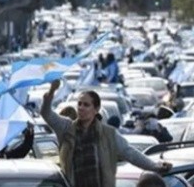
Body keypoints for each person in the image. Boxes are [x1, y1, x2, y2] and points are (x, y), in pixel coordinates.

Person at [41, 80, 171, 187]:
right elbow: (47, 114)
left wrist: (155, 166)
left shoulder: (108, 134)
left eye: (86, 105)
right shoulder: (66, 127)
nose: (81, 107)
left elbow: (130, 153)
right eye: (79, 104)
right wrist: (51, 92)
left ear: (96, 109)